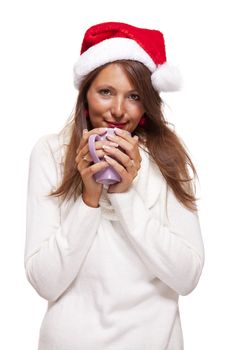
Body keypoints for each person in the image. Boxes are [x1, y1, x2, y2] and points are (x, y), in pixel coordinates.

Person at [25, 22, 205, 350]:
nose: (119, 111)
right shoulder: (50, 153)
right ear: (85, 94)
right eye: (106, 92)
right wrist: (89, 198)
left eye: (134, 96)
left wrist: (125, 195)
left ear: (147, 103)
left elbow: (187, 276)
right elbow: (45, 282)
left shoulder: (168, 157)